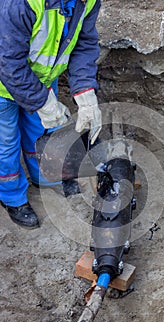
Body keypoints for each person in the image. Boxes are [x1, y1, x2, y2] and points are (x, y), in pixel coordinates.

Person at [0, 0, 102, 229]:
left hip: (43, 78)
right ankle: (12, 197)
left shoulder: (88, 1)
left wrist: (85, 94)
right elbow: (8, 62)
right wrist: (42, 102)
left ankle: (45, 178)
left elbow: (84, 45)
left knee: (41, 132)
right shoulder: (21, 4)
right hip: (2, 85)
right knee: (5, 145)